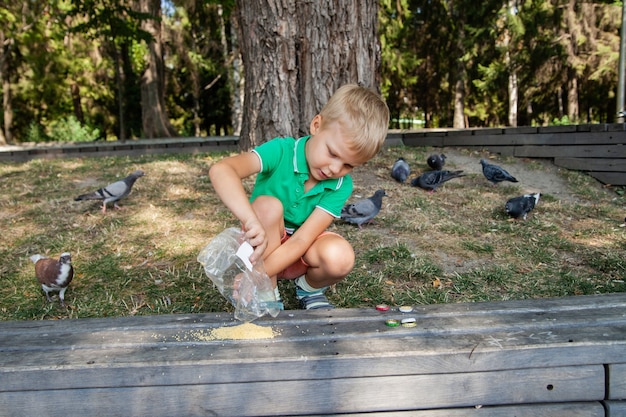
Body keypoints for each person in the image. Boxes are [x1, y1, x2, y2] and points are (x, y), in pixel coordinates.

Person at [209, 84, 389, 309]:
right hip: (261, 245)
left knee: (340, 257)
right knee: (267, 207)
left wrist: (255, 274)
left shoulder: (341, 185)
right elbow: (222, 170)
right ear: (316, 125)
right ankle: (267, 292)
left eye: (348, 165)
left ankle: (308, 288)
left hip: (301, 250)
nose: (334, 169)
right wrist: (250, 219)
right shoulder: (282, 151)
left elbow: (303, 240)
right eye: (332, 153)